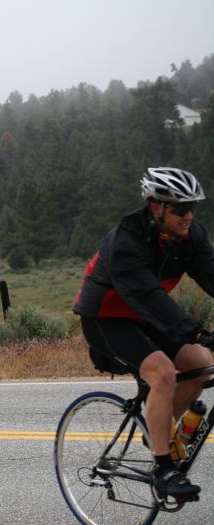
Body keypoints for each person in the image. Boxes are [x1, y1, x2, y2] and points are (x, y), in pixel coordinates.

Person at [74, 166, 211, 500]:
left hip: (145, 316)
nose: (188, 216)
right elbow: (148, 295)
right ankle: (163, 468)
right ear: (156, 207)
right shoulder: (126, 241)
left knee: (202, 363)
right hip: (106, 319)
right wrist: (196, 332)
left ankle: (156, 432)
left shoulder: (189, 236)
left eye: (191, 207)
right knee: (163, 373)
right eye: (179, 209)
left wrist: (198, 340)